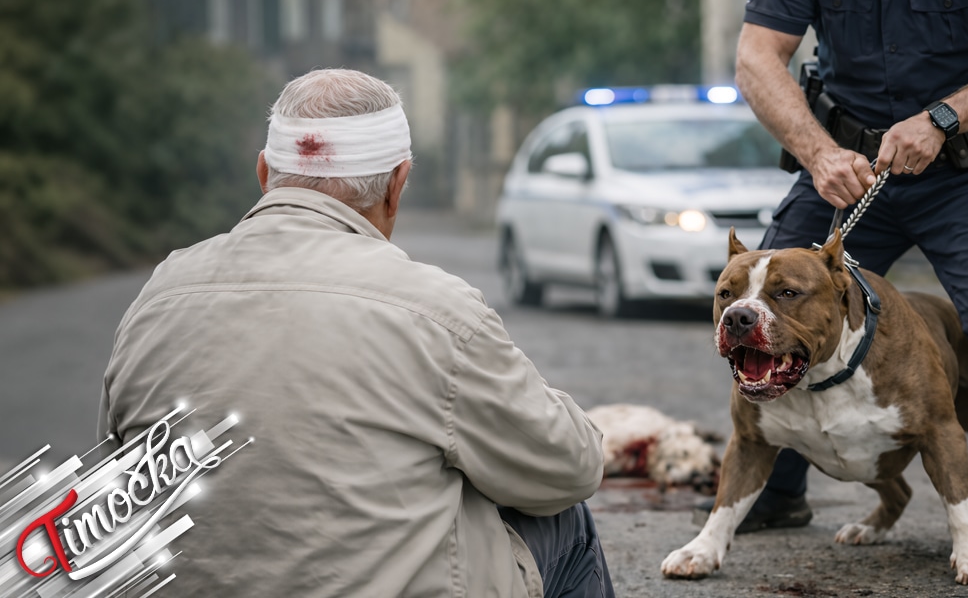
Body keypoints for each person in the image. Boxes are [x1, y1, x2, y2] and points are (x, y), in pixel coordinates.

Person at [98, 69, 614, 597]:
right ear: (397, 184)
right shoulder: (436, 310)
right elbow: (571, 467)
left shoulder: (157, 296)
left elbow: (120, 483)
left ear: (264, 172)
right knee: (563, 518)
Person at [694, 0, 968, 584]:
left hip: (967, 166)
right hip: (844, 169)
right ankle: (776, 492)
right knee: (770, 308)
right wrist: (817, 152)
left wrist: (941, 119)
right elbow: (757, 56)